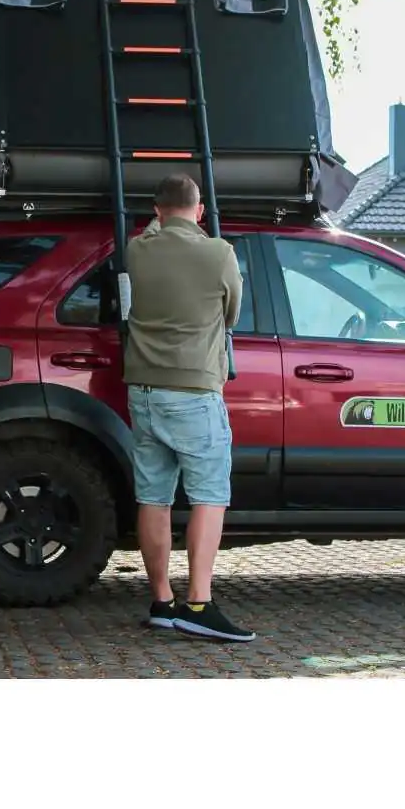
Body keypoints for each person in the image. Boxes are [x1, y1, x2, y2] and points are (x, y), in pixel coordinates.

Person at [124, 174, 256, 642]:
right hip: (194, 392)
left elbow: (152, 232)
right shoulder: (217, 253)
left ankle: (162, 601)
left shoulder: (137, 250)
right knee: (208, 495)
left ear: (157, 211)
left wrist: (162, 222)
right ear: (199, 211)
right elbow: (232, 312)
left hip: (142, 389)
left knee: (153, 496)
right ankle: (199, 603)